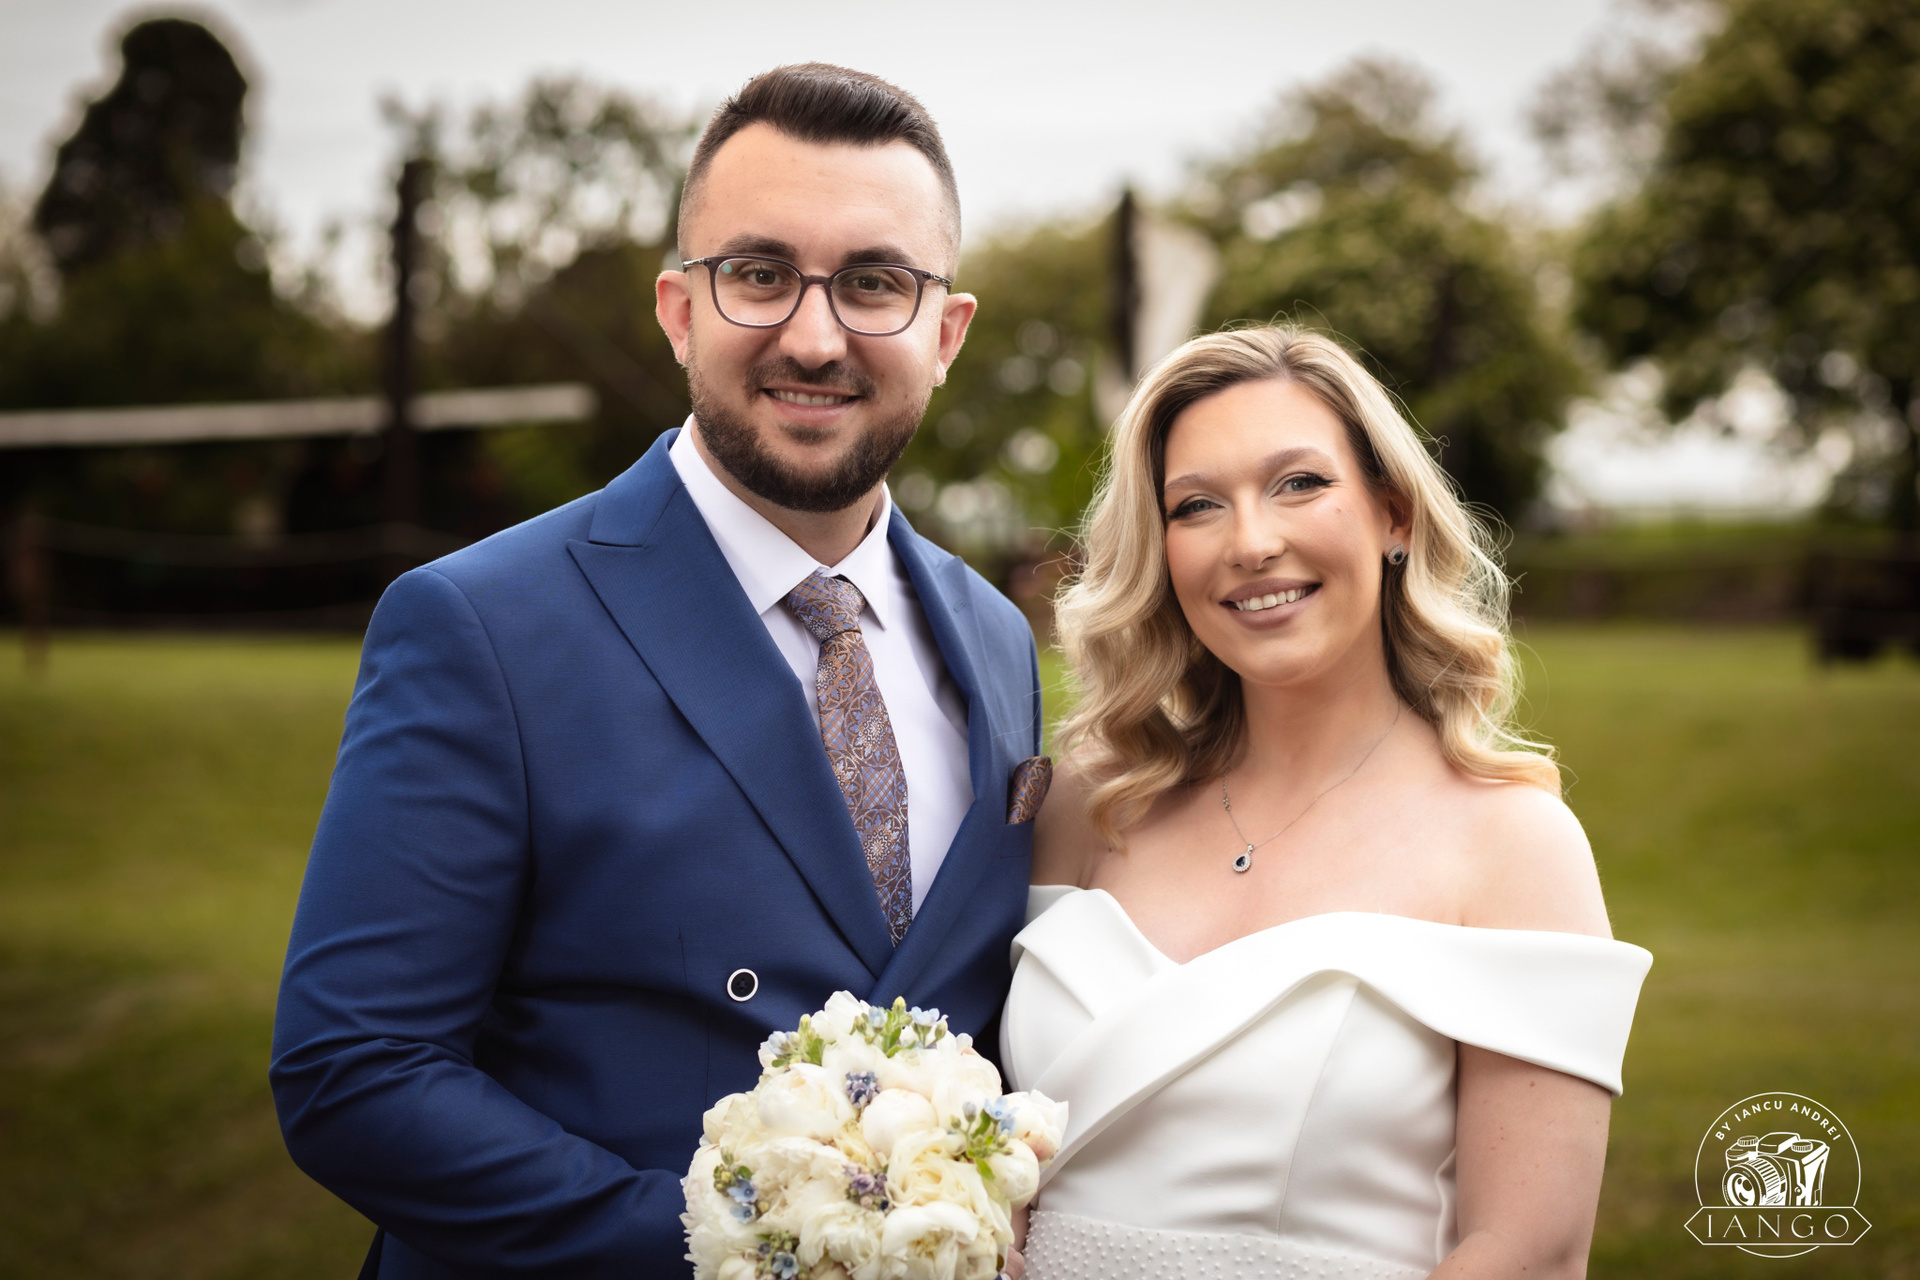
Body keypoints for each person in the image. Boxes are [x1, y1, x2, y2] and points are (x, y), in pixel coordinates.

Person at [272, 64, 1049, 1279]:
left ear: (944, 333)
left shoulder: (997, 637)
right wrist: (747, 1253)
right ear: (680, 310)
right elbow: (354, 1071)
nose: (814, 336)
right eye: (760, 274)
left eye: (874, 282)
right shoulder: (481, 623)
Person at [1005, 327, 1651, 1279]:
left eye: (1299, 484)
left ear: (1394, 514)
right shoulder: (1088, 808)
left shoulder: (1512, 843)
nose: (1251, 543)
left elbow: (1531, 1251)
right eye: (1197, 506)